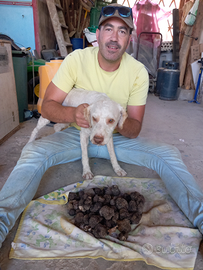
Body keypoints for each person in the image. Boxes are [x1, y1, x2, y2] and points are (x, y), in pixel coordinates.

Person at [0, 3, 203, 249]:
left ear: (129, 38)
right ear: (98, 35)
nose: (114, 38)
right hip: (75, 134)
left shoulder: (138, 72)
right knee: (32, 153)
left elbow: (135, 128)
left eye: (122, 31)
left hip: (115, 139)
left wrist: (115, 121)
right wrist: (73, 114)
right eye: (108, 29)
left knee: (169, 154)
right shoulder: (76, 60)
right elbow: (46, 106)